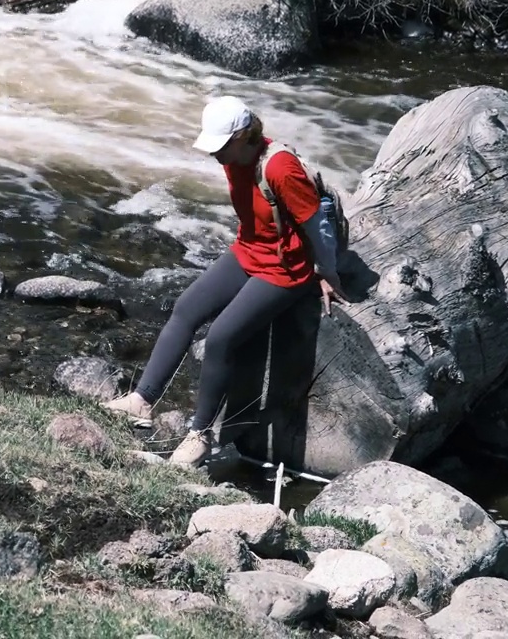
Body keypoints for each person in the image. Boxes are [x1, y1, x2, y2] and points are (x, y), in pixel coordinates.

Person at [102, 95, 348, 467]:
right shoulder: (233, 158)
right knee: (186, 309)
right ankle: (142, 400)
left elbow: (317, 226)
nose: (213, 154)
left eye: (220, 145)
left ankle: (199, 436)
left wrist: (327, 273)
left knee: (220, 339)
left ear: (242, 136)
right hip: (248, 251)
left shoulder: (281, 169)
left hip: (285, 268)